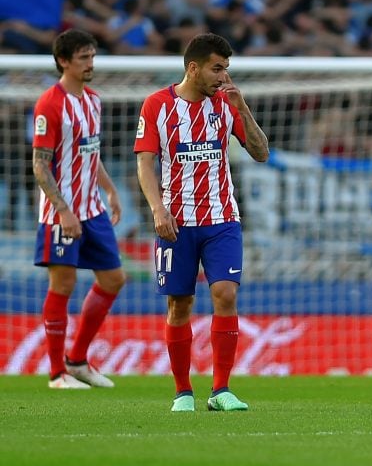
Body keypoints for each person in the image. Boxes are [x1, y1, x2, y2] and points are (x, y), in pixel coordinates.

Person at [134, 33, 269, 412]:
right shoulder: (157, 105)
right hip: (175, 221)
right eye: (217, 68)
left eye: (226, 69)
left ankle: (221, 390)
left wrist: (243, 110)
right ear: (193, 68)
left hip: (222, 217)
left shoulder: (227, 105)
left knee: (225, 293)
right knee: (180, 304)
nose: (223, 77)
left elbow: (261, 153)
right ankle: (182, 392)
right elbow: (145, 161)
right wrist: (157, 208)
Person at [32, 29, 126, 389]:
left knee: (114, 279)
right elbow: (40, 165)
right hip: (61, 211)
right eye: (84, 58)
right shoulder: (50, 104)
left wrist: (111, 190)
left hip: (93, 208)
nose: (90, 64)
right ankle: (57, 373)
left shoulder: (93, 100)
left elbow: (90, 153)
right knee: (63, 283)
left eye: (93, 57)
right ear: (64, 61)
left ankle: (77, 360)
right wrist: (63, 210)